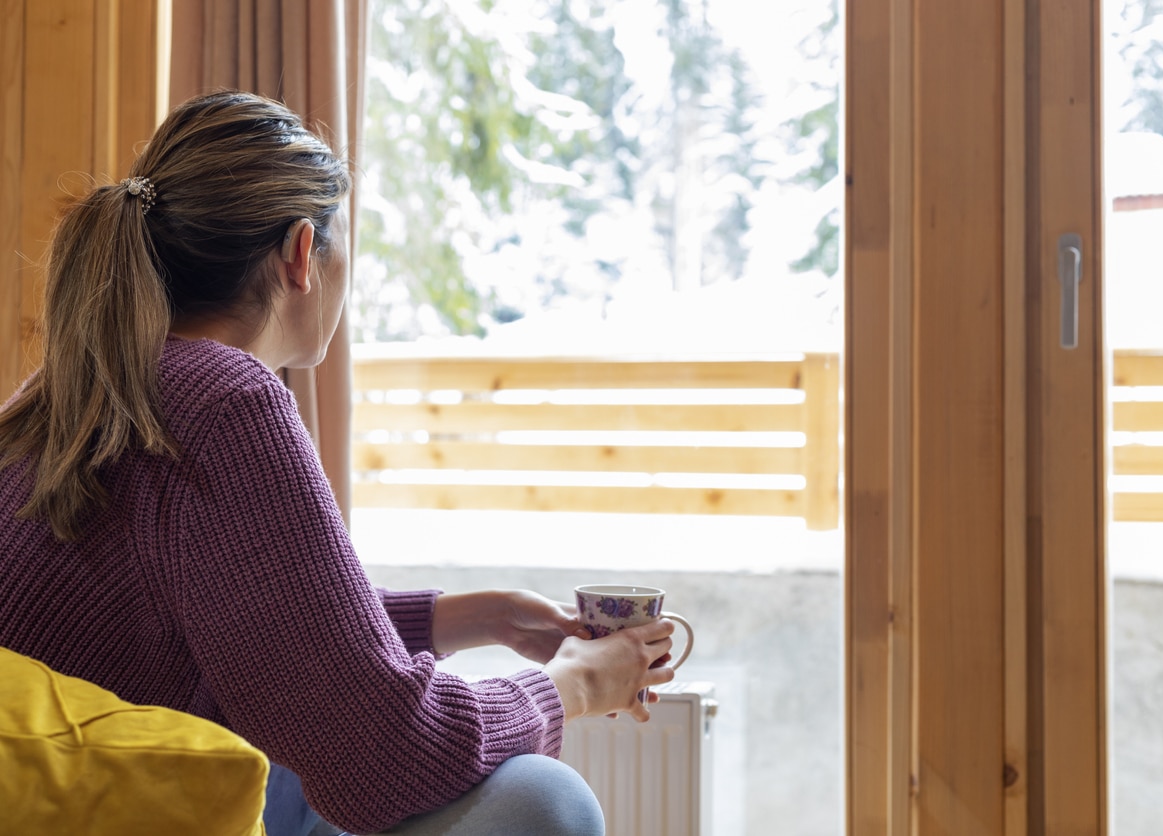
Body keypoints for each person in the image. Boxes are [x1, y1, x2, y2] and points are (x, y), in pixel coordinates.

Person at [0, 91, 677, 836]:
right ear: (301, 254)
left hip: (90, 785)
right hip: (131, 806)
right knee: (540, 802)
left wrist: (482, 617)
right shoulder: (226, 400)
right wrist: (573, 687)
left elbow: (256, 623)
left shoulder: (78, 388)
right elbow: (387, 757)